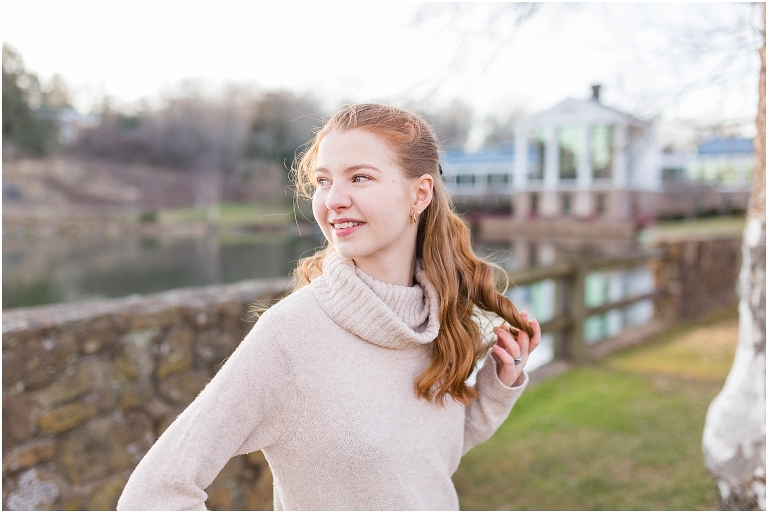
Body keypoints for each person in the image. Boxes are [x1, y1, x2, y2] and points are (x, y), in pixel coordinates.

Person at [117, 103, 541, 511]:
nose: (333, 199)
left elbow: (421, 464)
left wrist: (498, 385)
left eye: (359, 178)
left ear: (420, 194)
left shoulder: (440, 317)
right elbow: (155, 494)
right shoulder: (291, 335)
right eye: (323, 181)